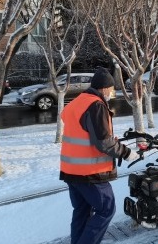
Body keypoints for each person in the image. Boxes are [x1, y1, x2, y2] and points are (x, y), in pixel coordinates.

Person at [59, 67, 139, 244]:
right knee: (106, 209)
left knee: (82, 210)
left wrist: (112, 140)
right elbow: (103, 142)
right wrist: (126, 153)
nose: (112, 92)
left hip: (71, 170)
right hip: (90, 172)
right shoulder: (96, 105)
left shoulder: (78, 101)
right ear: (104, 88)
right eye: (111, 89)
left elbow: (84, 133)